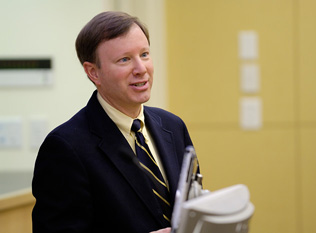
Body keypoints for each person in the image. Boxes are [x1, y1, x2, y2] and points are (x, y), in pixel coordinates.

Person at [32, 11, 194, 233]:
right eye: (124, 59)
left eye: (144, 54)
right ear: (93, 72)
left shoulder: (173, 127)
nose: (141, 69)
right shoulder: (65, 148)